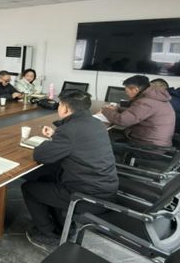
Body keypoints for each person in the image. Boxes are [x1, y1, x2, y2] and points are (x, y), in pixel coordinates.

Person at [22, 90, 117, 251]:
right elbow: (78, 142)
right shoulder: (96, 123)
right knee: (47, 179)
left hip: (87, 196)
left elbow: (41, 155)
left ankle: (48, 234)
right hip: (105, 187)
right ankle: (62, 225)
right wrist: (56, 136)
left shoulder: (68, 130)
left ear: (65, 108)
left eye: (59, 105)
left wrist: (53, 139)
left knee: (29, 188)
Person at [101, 75, 175, 148]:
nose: (126, 93)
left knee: (103, 144)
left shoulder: (146, 102)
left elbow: (122, 121)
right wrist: (118, 109)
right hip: (158, 141)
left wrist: (105, 110)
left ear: (135, 90)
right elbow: (136, 112)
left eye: (126, 91)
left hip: (149, 147)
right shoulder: (156, 97)